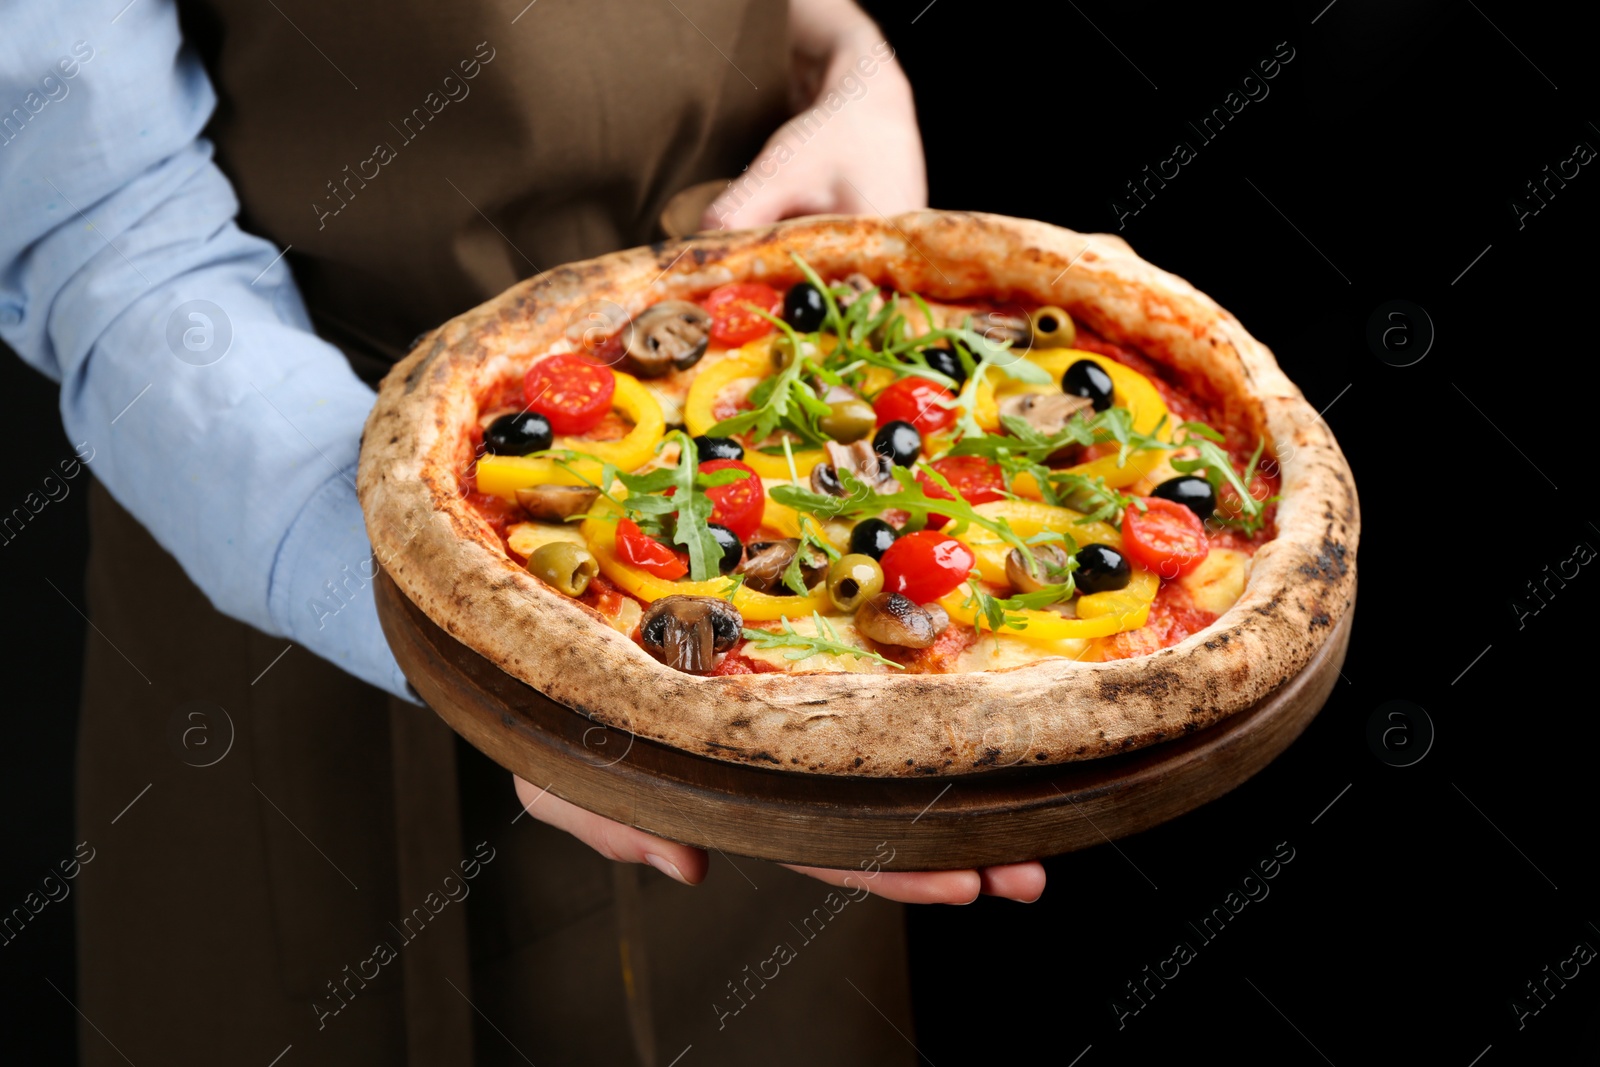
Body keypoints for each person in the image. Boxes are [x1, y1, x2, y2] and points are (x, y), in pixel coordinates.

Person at [1, 0, 1045, 1063]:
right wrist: (435, 575)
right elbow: (100, 228)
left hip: (784, 517)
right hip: (289, 542)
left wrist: (841, 52)